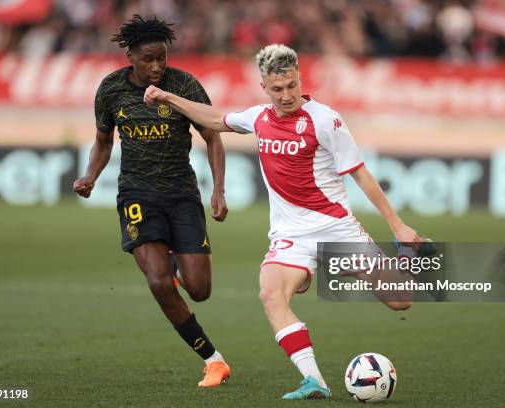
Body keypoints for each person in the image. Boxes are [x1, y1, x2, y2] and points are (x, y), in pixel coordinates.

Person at [143, 43, 423, 399]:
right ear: (264, 88)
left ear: (300, 79)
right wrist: (168, 97)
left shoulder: (326, 120)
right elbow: (215, 119)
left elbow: (361, 174)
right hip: (291, 235)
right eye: (277, 89)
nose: (286, 95)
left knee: (401, 299)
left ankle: (408, 255)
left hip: (335, 229)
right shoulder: (259, 118)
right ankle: (314, 381)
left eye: (291, 86)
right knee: (270, 292)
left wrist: (397, 226)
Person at [73, 15, 231, 388]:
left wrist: (219, 190)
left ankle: (175, 260)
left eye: (162, 57)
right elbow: (104, 140)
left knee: (200, 290)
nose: (157, 66)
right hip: (137, 196)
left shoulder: (184, 85)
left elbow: (213, 136)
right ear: (130, 56)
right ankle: (213, 359)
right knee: (159, 283)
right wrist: (91, 176)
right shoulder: (111, 90)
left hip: (181, 195)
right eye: (148, 59)